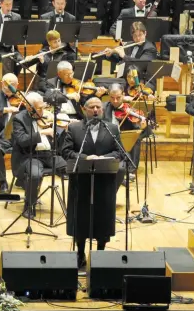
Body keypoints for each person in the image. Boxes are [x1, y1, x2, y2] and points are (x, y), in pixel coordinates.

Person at [62, 97, 123, 269]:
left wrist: (103, 158)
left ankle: (100, 255)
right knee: (81, 216)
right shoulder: (74, 128)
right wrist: (85, 158)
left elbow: (119, 151)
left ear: (102, 110)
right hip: (81, 179)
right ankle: (80, 253)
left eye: (98, 107)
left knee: (103, 216)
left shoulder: (111, 128)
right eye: (91, 107)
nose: (95, 110)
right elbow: (66, 151)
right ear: (84, 109)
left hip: (104, 179)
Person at [11, 91, 67, 219]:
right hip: (30, 155)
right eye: (39, 108)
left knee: (73, 168)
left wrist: (61, 131)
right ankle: (29, 206)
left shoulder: (46, 117)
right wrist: (42, 133)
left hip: (47, 154)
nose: (43, 111)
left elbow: (56, 141)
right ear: (29, 108)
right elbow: (22, 140)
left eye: (43, 107)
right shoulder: (19, 119)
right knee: (35, 174)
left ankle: (74, 206)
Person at [102, 83, 147, 186]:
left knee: (136, 139)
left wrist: (142, 126)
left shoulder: (129, 110)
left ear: (123, 94)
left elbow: (136, 129)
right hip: (107, 139)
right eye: (112, 98)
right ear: (108, 95)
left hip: (123, 140)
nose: (115, 101)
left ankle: (130, 170)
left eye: (118, 97)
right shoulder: (103, 107)